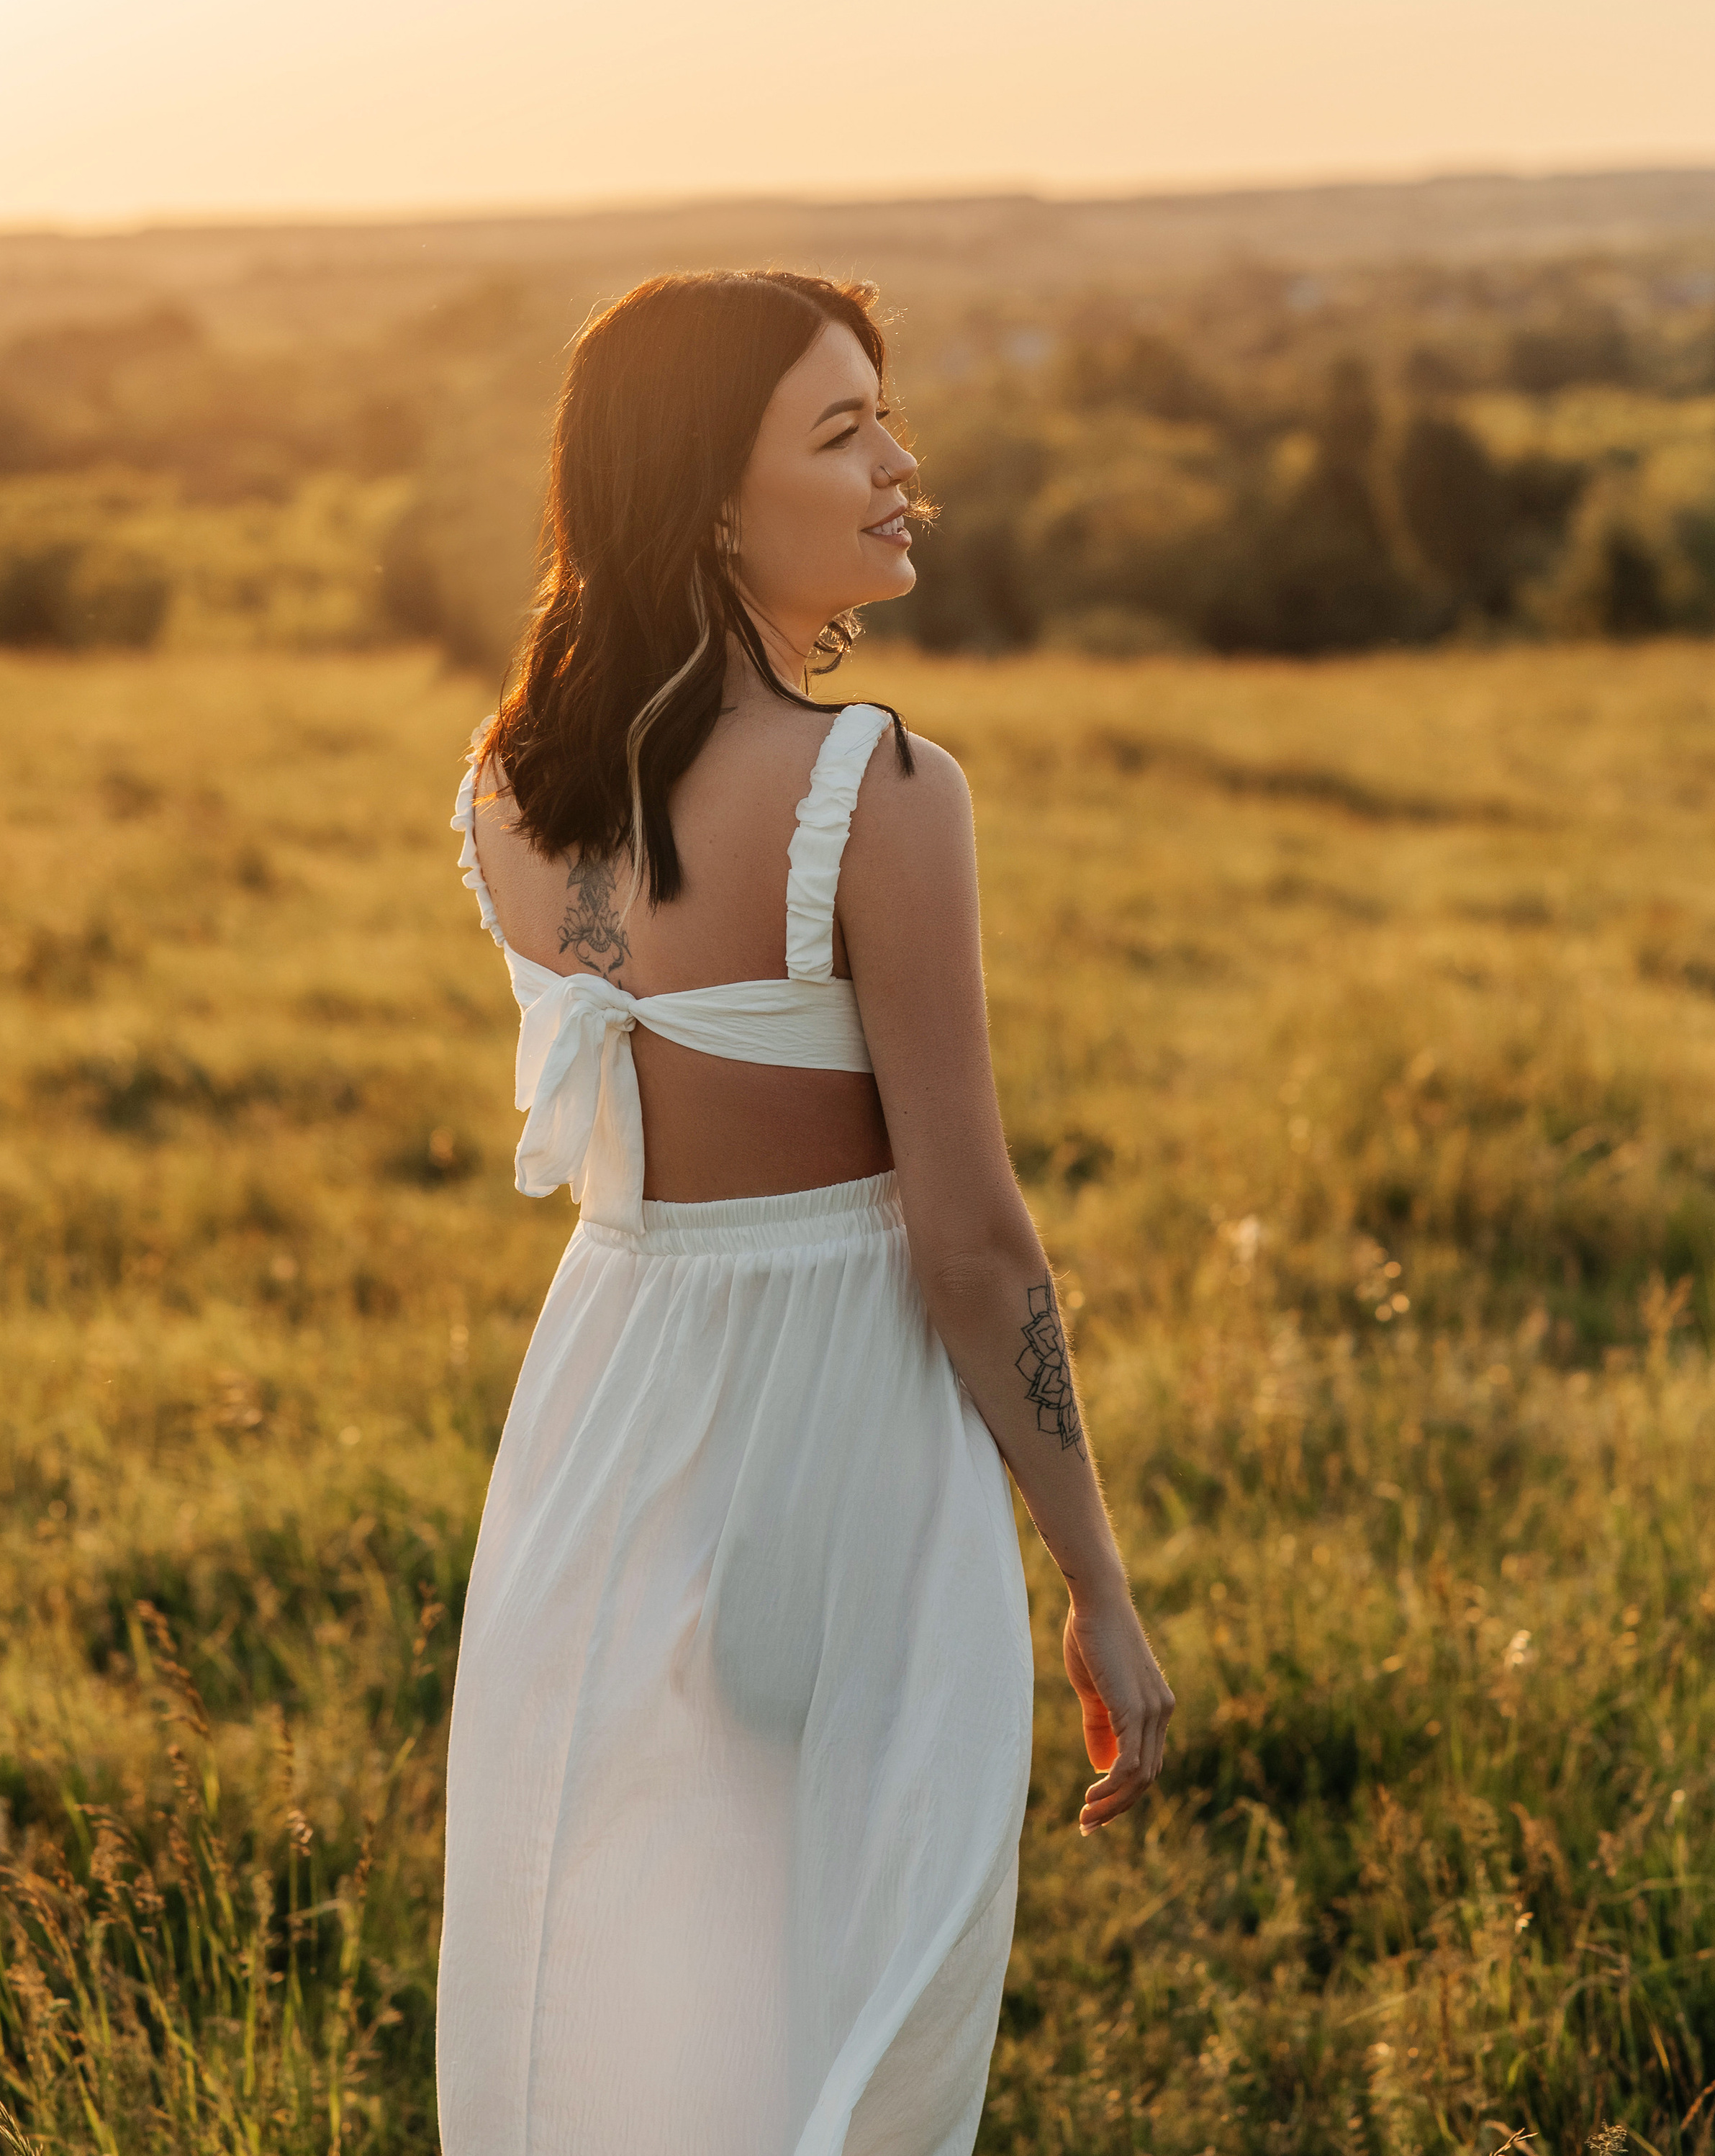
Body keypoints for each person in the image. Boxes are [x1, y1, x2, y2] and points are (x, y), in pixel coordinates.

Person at [435, 271, 1174, 2156]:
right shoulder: (878, 785)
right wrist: (1094, 1576)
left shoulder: (508, 785)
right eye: (842, 434)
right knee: (848, 1996)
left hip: (604, 1414)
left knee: (630, 1975)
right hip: (832, 1421)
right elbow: (971, 1237)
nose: (900, 466)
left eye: (886, 417)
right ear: (703, 495)